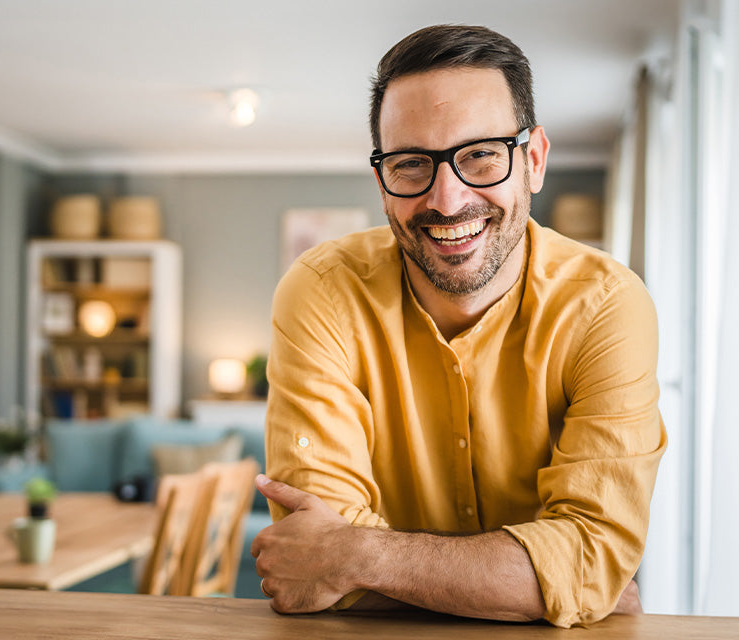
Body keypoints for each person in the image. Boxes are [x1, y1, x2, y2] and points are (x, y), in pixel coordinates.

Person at [250, 24, 667, 628]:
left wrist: (355, 555)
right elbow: (307, 561)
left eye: (479, 155)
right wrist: (547, 588)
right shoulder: (321, 291)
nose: (447, 200)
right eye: (412, 163)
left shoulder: (607, 305)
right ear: (381, 182)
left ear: (534, 159)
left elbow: (590, 561)